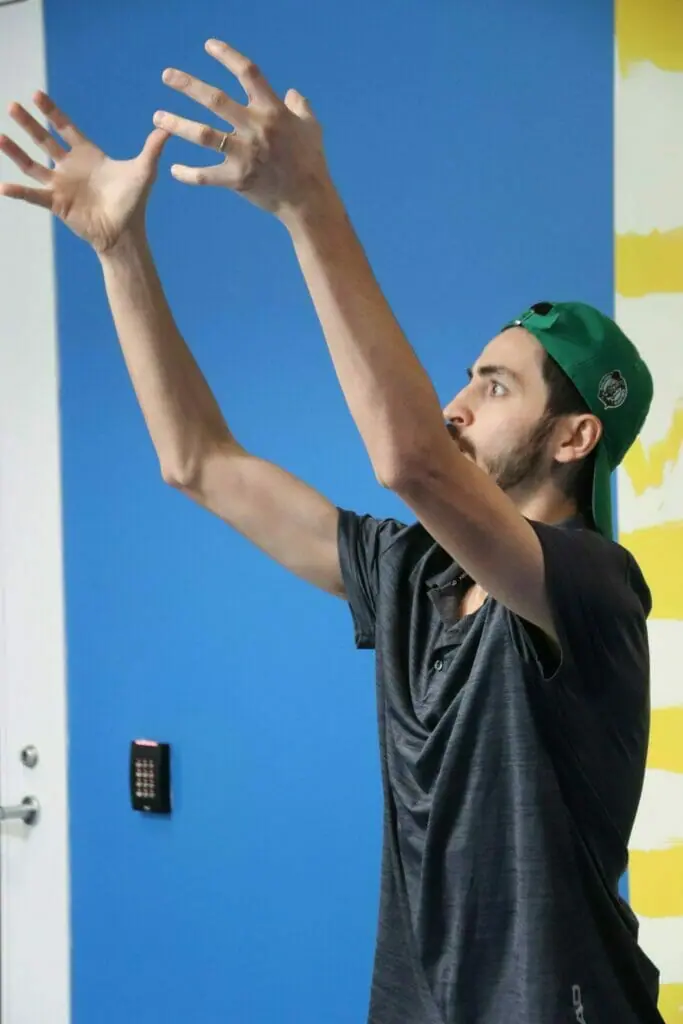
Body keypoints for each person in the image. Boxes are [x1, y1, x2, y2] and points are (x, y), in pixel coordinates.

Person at [0, 39, 665, 1024]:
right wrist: (118, 250)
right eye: (465, 375)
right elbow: (199, 462)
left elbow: (409, 461)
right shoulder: (409, 575)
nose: (455, 405)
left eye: (494, 386)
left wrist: (306, 204)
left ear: (574, 435)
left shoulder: (593, 588)